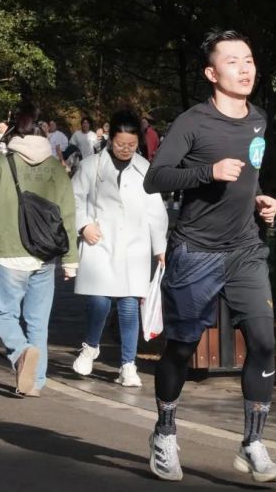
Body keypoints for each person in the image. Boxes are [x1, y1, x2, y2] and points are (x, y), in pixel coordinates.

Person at [143, 30, 276, 482]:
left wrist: (263, 200)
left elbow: (251, 177)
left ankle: (253, 444)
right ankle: (164, 432)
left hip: (245, 249)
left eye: (249, 59)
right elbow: (156, 178)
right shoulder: (193, 122)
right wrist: (207, 172)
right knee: (181, 349)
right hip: (196, 252)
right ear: (211, 72)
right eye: (233, 61)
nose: (245, 69)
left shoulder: (258, 119)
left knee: (263, 343)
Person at [0, 101, 78, 397]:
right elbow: (68, 214)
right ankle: (35, 383)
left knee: (2, 314)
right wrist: (71, 262)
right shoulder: (56, 170)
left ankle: (20, 353)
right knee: (38, 321)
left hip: (10, 252)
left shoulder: (1, 165)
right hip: (45, 255)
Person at [71, 110, 168, 388]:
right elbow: (74, 199)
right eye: (120, 143)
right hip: (99, 241)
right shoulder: (91, 166)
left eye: (131, 145)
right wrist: (84, 225)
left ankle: (128, 364)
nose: (125, 149)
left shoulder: (145, 170)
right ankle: (90, 346)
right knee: (98, 301)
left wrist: (159, 246)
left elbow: (156, 211)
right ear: (110, 138)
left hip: (134, 245)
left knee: (128, 306)